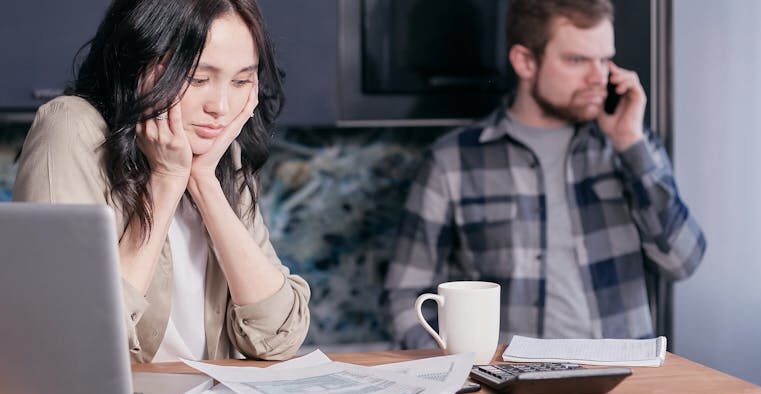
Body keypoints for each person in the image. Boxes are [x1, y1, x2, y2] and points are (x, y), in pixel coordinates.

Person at [385, 0, 706, 349]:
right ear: (525, 61)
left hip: (623, 378)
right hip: (508, 383)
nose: (598, 77)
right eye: (577, 60)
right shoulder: (452, 162)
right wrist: (454, 369)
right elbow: (404, 296)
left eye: (604, 59)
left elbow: (681, 262)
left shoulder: (629, 146)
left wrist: (630, 144)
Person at [13, 0, 310, 362]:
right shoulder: (70, 129)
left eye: (241, 81)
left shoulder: (216, 151)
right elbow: (68, 340)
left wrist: (203, 181)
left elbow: (279, 336)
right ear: (138, 65)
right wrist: (166, 180)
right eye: (198, 79)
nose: (220, 105)